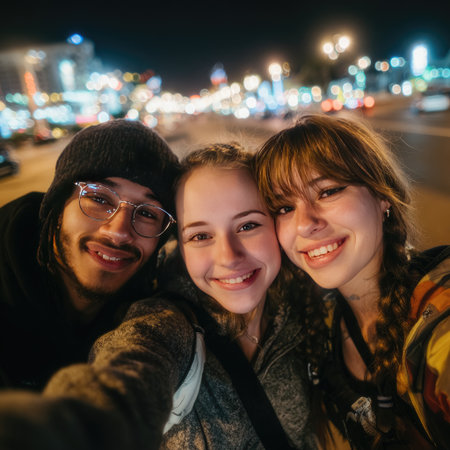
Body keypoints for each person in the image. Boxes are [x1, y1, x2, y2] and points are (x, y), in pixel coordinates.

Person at [0, 142, 318, 449]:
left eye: (248, 225)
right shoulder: (165, 324)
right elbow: (130, 374)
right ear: (180, 247)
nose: (228, 256)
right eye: (201, 235)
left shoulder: (308, 304)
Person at [252, 113, 450, 449]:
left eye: (328, 191)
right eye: (284, 207)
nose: (305, 224)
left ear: (382, 195)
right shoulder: (315, 315)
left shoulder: (437, 316)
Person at [0, 118, 179, 391]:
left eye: (146, 213)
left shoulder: (153, 308)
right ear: (57, 208)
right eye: (99, 199)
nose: (118, 232)